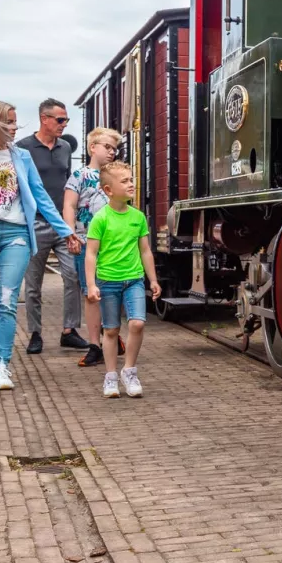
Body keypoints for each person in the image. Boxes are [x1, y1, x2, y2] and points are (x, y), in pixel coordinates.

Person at [0, 101, 78, 390]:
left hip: (17, 234)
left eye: (15, 122)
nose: (14, 127)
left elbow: (40, 196)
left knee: (6, 301)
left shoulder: (21, 156)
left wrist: (65, 230)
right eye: (9, 122)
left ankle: (4, 365)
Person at [83, 161, 161, 398]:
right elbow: (91, 254)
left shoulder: (138, 218)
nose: (131, 184)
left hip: (134, 280)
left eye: (131, 179)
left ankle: (129, 370)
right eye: (125, 181)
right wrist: (91, 284)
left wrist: (153, 280)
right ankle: (110, 377)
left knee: (137, 323)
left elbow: (145, 251)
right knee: (111, 330)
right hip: (108, 282)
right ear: (108, 190)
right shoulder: (100, 219)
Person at [17, 97, 89, 356]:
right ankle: (35, 334)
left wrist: (72, 224)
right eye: (60, 120)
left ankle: (69, 331)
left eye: (66, 120)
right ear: (44, 119)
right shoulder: (22, 148)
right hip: (34, 224)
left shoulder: (65, 148)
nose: (64, 124)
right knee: (33, 284)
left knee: (72, 276)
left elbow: (68, 184)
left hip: (62, 224)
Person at [64, 126, 123, 368]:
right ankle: (94, 345)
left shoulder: (116, 175)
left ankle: (110, 335)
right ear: (92, 148)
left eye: (115, 149)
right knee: (91, 294)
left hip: (114, 243)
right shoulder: (79, 176)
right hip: (86, 241)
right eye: (107, 147)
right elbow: (69, 205)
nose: (112, 152)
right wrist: (70, 234)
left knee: (113, 290)